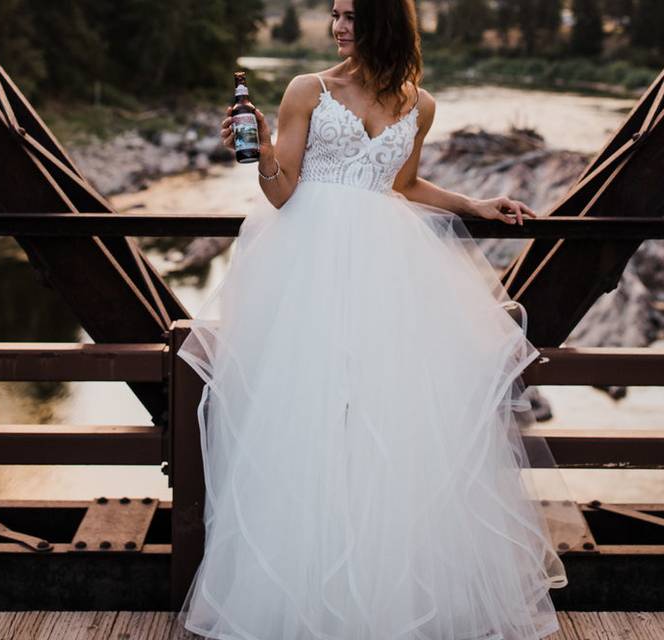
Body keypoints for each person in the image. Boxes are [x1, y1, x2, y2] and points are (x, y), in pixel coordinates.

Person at [173, 1, 583, 638]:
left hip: (389, 276)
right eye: (335, 14)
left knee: (389, 426)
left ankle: (384, 598)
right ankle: (306, 602)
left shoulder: (420, 105)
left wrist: (475, 203)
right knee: (307, 425)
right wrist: (257, 156)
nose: (339, 26)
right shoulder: (306, 89)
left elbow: (405, 183)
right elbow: (284, 193)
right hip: (306, 270)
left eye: (352, 15)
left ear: (386, 20)